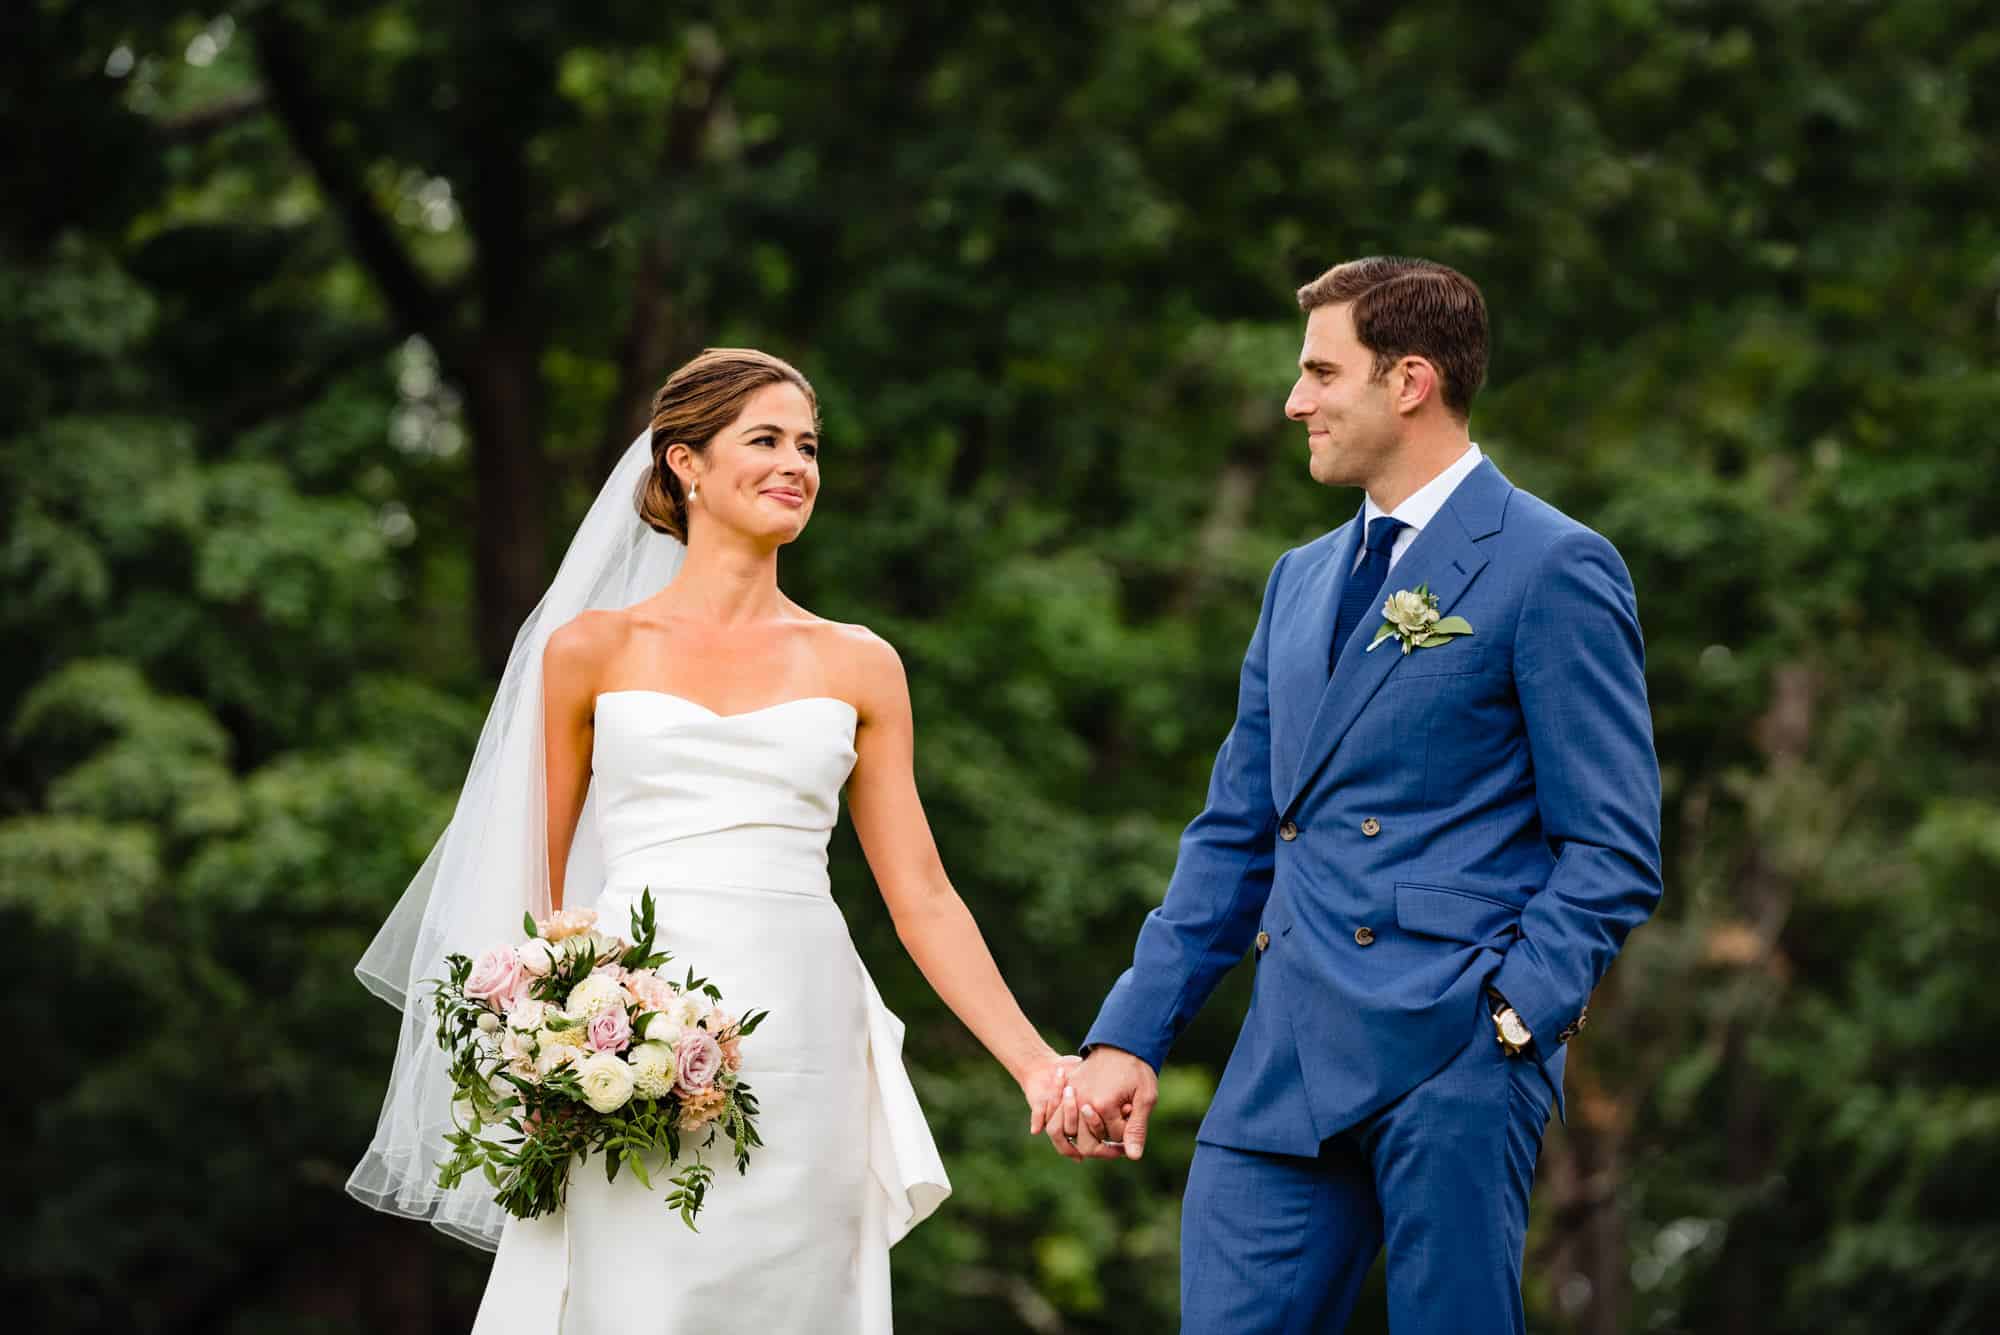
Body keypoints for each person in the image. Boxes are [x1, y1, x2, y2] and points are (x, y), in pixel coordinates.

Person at [348, 348, 1073, 1333]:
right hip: (628, 1034)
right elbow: (539, 895)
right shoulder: (591, 651)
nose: (796, 465)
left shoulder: (859, 663)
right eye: (765, 440)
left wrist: (1034, 1064)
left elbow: (923, 896)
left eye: (808, 446)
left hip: (805, 1032)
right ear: (684, 464)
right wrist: (545, 1042)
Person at [1052, 258, 1663, 1334]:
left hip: (1452, 1048)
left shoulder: (1552, 564)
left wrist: (1513, 1021)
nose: (1295, 401)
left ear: (1410, 380)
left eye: (1320, 372)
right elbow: (1237, 831)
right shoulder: (1294, 580)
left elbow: (1611, 844)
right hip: (1281, 1059)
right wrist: (1130, 1035)